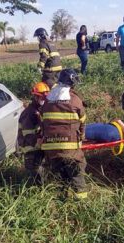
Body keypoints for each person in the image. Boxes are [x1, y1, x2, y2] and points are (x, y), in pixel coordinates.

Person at [41, 68, 88, 199]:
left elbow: (43, 121)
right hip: (70, 147)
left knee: (61, 175)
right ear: (72, 82)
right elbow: (82, 121)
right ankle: (82, 204)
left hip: (51, 149)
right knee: (78, 171)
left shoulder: (49, 99)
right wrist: (81, 136)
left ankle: (62, 198)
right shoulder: (74, 100)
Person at [17, 82, 50, 184]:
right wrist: (40, 142)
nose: (44, 100)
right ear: (35, 97)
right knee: (35, 175)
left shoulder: (39, 110)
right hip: (31, 148)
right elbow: (28, 135)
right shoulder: (29, 113)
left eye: (45, 98)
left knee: (43, 172)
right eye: (42, 98)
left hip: (38, 146)